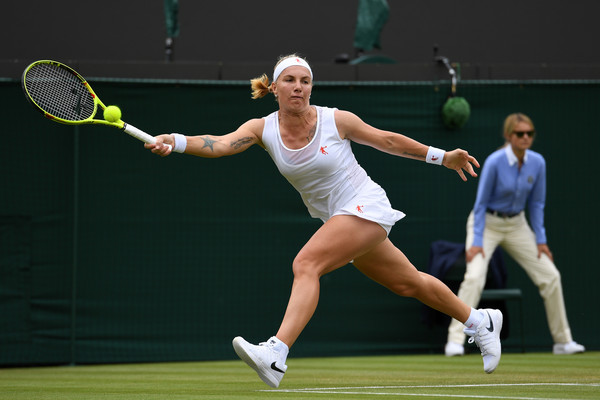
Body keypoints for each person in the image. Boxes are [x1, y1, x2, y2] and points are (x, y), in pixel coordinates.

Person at [146, 54, 503, 387]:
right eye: (289, 80)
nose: (298, 86)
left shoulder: (336, 120)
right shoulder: (261, 129)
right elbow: (220, 144)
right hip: (339, 217)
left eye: (304, 80)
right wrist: (174, 141)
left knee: (306, 263)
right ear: (274, 88)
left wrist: (443, 157)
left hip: (365, 205)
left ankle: (276, 353)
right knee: (409, 283)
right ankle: (480, 320)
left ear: (311, 87)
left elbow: (388, 141)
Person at [445, 113, 585, 357]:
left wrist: (541, 240)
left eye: (529, 133)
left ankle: (563, 341)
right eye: (520, 134)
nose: (525, 138)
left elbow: (537, 204)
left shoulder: (538, 163)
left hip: (518, 225)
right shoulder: (495, 161)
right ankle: (455, 340)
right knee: (475, 276)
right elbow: (480, 204)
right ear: (509, 136)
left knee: (551, 276)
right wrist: (477, 241)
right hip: (486, 223)